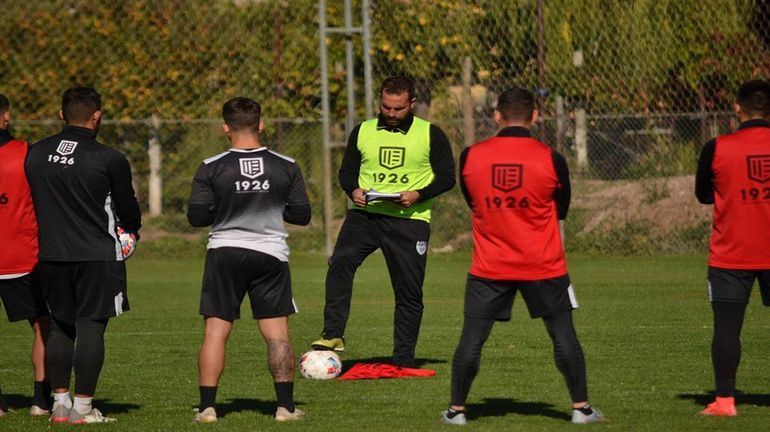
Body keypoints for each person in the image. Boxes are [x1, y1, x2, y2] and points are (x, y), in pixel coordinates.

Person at [441, 87, 604, 426]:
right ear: (535, 116)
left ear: (496, 115)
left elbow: (473, 201)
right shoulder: (551, 158)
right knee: (563, 334)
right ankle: (581, 409)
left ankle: (456, 412)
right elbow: (562, 209)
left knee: (472, 338)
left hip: (489, 265)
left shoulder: (470, 156)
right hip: (543, 264)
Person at [311, 76, 456, 368]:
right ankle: (333, 334)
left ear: (412, 103)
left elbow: (447, 178)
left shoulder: (430, 134)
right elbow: (347, 173)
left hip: (409, 220)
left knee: (408, 291)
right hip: (365, 216)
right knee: (340, 262)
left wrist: (419, 194)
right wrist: (353, 190)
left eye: (398, 108)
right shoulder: (363, 131)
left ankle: (403, 359)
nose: (391, 113)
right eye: (386, 106)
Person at [187, 97, 311, 423]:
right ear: (261, 125)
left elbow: (196, 217)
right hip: (270, 255)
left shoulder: (211, 165)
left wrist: (230, 207)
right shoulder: (286, 165)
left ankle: (207, 408)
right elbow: (302, 215)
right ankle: (285, 408)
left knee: (216, 332)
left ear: (225, 128)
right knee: (277, 334)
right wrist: (268, 203)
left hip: (224, 253)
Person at [25, 87, 141, 424]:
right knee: (91, 327)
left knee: (60, 327)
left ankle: (60, 405)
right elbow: (127, 208)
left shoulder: (36, 153)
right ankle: (84, 409)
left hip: (50, 254)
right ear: (97, 116)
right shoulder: (109, 158)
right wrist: (132, 230)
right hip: (97, 254)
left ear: (61, 114)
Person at [695, 79, 770, 417]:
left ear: (737, 107)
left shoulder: (717, 147)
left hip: (731, 252)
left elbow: (703, 194)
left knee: (727, 327)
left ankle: (725, 401)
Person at [0, 94, 51, 417]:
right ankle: (41, 401)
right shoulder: (27, 154)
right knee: (43, 326)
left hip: (22, 255)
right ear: (6, 116)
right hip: (23, 256)